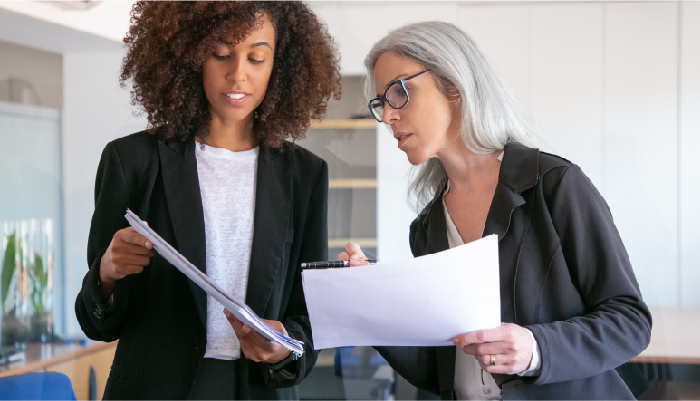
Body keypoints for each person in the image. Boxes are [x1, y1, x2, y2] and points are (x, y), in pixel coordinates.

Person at [339, 21, 651, 400]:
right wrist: (373, 301)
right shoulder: (426, 228)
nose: (388, 116)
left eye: (399, 92)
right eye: (381, 103)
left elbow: (630, 321)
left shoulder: (554, 185)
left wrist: (536, 349)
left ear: (454, 85)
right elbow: (437, 367)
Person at [74, 2, 341, 399]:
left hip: (257, 389)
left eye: (257, 57)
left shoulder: (304, 175)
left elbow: (308, 319)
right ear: (191, 55)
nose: (238, 74)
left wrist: (282, 344)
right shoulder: (131, 162)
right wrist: (107, 273)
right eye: (221, 53)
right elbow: (97, 324)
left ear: (279, 67)